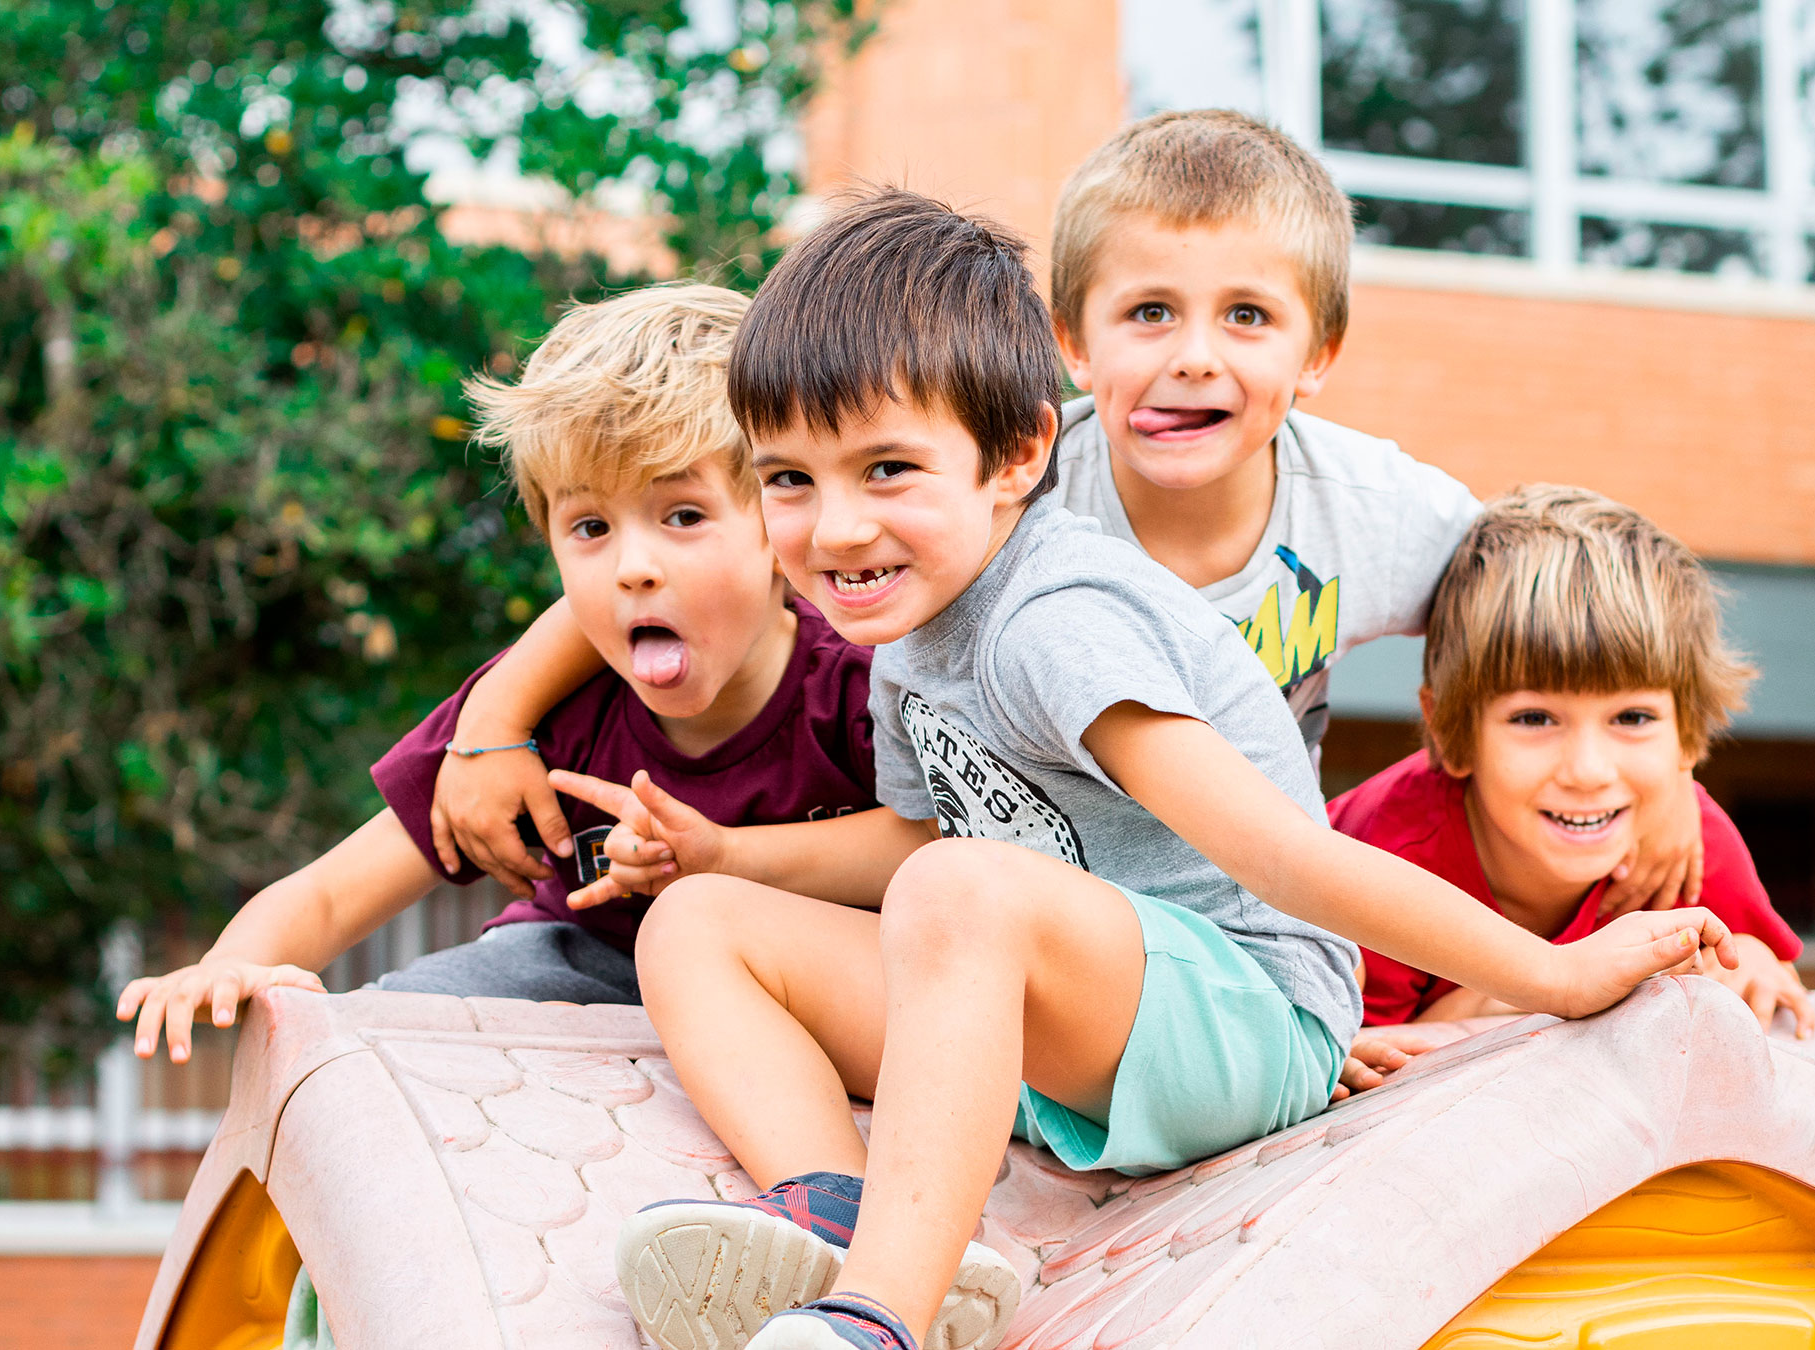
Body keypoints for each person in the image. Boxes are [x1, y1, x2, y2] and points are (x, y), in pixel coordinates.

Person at [588, 190, 1736, 1350]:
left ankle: (878, 1318)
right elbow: (922, 837)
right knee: (696, 925)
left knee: (960, 892)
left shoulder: (1053, 617)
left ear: (1020, 455)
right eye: (790, 480)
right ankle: (843, 1217)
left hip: (1247, 1013)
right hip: (1052, 1014)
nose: (834, 530)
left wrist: (1554, 977)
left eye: (886, 470)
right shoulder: (904, 616)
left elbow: (1285, 856)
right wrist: (731, 854)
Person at [425, 109, 1709, 922]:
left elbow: (1577, 638)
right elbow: (736, 538)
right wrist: (492, 721)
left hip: (1229, 898)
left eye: (1246, 317)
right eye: (1149, 313)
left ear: (1320, 351)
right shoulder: (1018, 495)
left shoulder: (1380, 513)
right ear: (1068, 349)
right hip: (1050, 895)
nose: (1193, 358)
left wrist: (1660, 800)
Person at [113, 282, 881, 1061]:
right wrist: (228, 967)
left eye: (683, 516)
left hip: (800, 987)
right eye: (590, 527)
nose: (633, 568)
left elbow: (935, 846)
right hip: (575, 970)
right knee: (376, 1040)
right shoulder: (549, 703)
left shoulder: (860, 687)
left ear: (777, 525)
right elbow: (333, 889)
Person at [1331, 486, 1814, 1094]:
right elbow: (1346, 1071)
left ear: (1688, 737)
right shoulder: (1387, 860)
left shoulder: (1688, 842)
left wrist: (1755, 966)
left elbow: (1768, 973)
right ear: (1450, 734)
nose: (1588, 771)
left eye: (1632, 718)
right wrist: (1494, 1001)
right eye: (1535, 718)